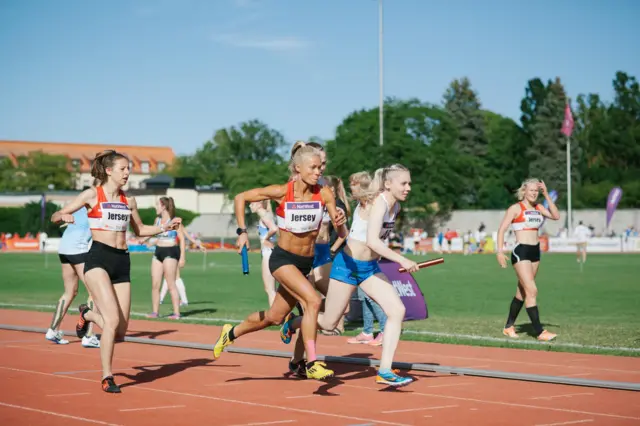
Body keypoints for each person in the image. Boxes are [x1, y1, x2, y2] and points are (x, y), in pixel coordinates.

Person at [211, 143, 347, 381]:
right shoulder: (282, 191)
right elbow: (241, 197)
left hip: (305, 263)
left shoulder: (325, 193)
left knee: (274, 317)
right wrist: (242, 231)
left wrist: (341, 220)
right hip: (283, 260)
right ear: (298, 168)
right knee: (313, 300)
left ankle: (230, 333)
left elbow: (341, 231)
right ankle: (311, 362)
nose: (318, 172)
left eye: (320, 168)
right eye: (313, 168)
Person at [51, 149, 181, 393]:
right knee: (110, 321)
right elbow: (56, 215)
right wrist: (63, 216)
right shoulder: (92, 194)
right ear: (109, 171)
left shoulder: (128, 200)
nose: (127, 173)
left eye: (129, 169)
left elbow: (140, 229)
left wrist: (165, 227)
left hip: (122, 262)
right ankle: (107, 376)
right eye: (123, 169)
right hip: (98, 258)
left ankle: (87, 315)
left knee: (120, 331)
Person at [280, 165, 418, 387]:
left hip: (369, 268)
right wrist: (401, 259)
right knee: (327, 323)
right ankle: (293, 323)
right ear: (388, 184)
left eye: (410, 183)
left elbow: (377, 243)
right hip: (347, 266)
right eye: (404, 183)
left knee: (397, 310)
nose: (408, 188)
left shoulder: (396, 207)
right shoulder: (379, 203)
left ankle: (384, 370)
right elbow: (372, 241)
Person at [496, 178, 559, 342]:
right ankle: (539, 332)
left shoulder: (539, 207)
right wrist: (499, 251)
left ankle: (508, 327)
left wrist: (547, 195)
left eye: (536, 191)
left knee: (522, 292)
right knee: (532, 290)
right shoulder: (515, 208)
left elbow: (556, 216)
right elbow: (502, 229)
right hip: (521, 251)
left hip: (535, 252)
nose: (534, 193)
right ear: (524, 191)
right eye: (531, 190)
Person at [45, 205, 100, 349]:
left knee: (70, 292)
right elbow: (55, 216)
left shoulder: (78, 204)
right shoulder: (96, 202)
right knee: (95, 293)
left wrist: (62, 215)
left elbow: (54, 216)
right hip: (78, 250)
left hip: (64, 249)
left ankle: (53, 330)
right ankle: (88, 336)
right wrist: (62, 216)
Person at [145, 197, 185, 319]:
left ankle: (176, 313)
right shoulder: (157, 220)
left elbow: (182, 239)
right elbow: (153, 232)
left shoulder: (175, 221)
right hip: (158, 252)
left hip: (170, 251)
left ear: (163, 206)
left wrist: (182, 257)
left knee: (170, 283)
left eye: (157, 205)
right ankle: (155, 312)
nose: (156, 207)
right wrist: (144, 239)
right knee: (155, 284)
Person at [159, 227, 207, 306]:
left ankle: (183, 300)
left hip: (173, 250)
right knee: (168, 275)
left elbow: (185, 235)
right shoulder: (161, 220)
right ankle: (161, 299)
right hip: (165, 250)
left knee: (175, 276)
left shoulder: (175, 221)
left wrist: (198, 245)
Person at [250, 200, 279, 306]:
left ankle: (276, 318)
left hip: (268, 253)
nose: (250, 205)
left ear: (259, 204)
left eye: (252, 203)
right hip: (271, 252)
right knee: (273, 289)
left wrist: (265, 239)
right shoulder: (268, 212)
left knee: (270, 290)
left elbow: (274, 228)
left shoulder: (263, 214)